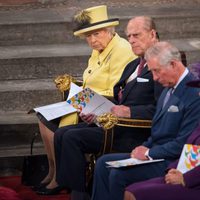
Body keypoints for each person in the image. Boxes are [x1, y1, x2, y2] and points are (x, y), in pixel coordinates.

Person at [54, 16, 163, 200]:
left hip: (133, 130)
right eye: (129, 36)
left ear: (152, 34)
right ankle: (75, 187)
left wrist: (129, 111)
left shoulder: (161, 64)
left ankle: (79, 195)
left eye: (136, 35)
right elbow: (118, 96)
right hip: (113, 122)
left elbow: (162, 108)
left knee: (72, 137)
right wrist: (94, 109)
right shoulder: (134, 64)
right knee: (62, 133)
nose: (131, 41)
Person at [35, 5, 135, 195]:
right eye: (88, 36)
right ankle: (53, 171)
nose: (92, 40)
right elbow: (91, 78)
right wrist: (77, 90)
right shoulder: (100, 48)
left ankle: (60, 179)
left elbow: (115, 88)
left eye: (96, 34)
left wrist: (82, 97)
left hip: (102, 107)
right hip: (87, 100)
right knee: (43, 118)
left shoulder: (121, 50)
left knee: (59, 129)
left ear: (109, 31)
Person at [91, 42, 200, 200]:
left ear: (173, 64)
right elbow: (157, 131)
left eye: (157, 71)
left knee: (117, 174)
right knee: (102, 163)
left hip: (172, 161)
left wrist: (148, 152)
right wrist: (144, 147)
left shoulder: (193, 92)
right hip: (155, 153)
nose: (155, 78)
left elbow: (183, 143)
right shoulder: (168, 87)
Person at [124, 63, 200, 200]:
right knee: (131, 190)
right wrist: (172, 169)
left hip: (193, 182)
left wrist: (185, 178)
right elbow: (189, 150)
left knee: (135, 193)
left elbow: (181, 144)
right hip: (183, 171)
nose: (199, 93)